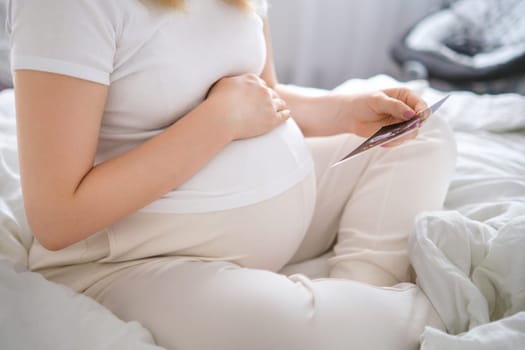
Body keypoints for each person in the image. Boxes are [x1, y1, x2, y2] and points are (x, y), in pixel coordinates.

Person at [9, 0, 456, 349]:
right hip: (134, 258)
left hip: (282, 218)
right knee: (308, 339)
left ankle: (360, 287)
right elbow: (56, 216)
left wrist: (347, 112)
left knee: (420, 132)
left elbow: (266, 99)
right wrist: (217, 121)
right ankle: (362, 314)